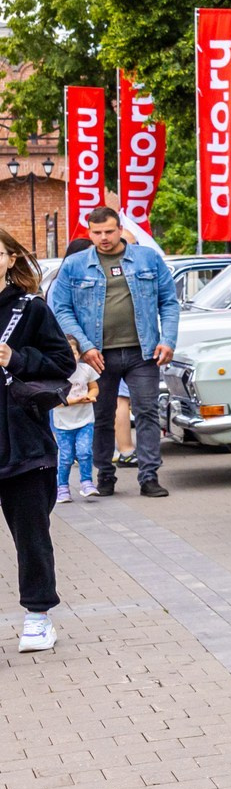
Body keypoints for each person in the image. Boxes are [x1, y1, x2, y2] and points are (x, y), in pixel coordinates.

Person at [47, 204, 178, 497]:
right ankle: (105, 475)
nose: (104, 237)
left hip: (142, 351)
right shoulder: (75, 265)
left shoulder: (147, 258)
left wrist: (168, 339)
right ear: (89, 233)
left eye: (109, 231)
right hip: (98, 355)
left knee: (147, 412)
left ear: (120, 229)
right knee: (101, 415)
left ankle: (149, 477)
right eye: (97, 232)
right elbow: (62, 309)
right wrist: (85, 346)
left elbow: (169, 301)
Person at [0, 231, 76, 652]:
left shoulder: (30, 309)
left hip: (23, 443)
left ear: (11, 259)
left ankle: (38, 615)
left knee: (31, 535)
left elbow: (63, 363)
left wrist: (16, 358)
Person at [53, 360, 97, 502]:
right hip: (63, 425)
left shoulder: (86, 369)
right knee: (66, 458)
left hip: (85, 420)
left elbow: (94, 387)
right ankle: (62, 487)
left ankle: (87, 482)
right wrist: (76, 401)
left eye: (75, 353)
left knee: (85, 452)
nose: (71, 357)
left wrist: (91, 395)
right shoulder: (54, 371)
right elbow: (53, 400)